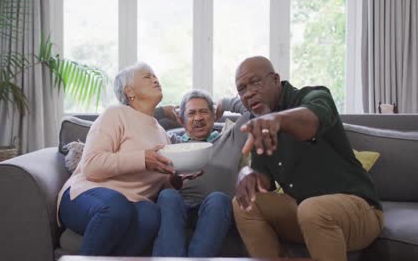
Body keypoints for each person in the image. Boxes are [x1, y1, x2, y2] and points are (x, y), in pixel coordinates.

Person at [232, 56, 383, 261]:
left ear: (276, 79)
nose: (248, 93)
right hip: (303, 212)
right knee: (244, 203)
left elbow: (310, 123)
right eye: (241, 89)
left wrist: (276, 120)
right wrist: (248, 175)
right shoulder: (257, 122)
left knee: (312, 209)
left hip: (359, 211)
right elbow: (264, 180)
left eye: (255, 82)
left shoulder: (315, 96)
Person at [57, 62, 179, 256]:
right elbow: (91, 165)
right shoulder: (115, 114)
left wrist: (176, 179)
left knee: (151, 215)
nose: (155, 79)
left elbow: (160, 183)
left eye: (155, 75)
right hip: (85, 195)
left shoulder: (163, 134)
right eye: (148, 76)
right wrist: (142, 159)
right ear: (129, 92)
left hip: (131, 205)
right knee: (116, 206)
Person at [153, 89, 250, 257]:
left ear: (214, 116)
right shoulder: (170, 141)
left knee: (219, 199)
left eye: (204, 112)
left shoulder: (231, 138)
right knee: (168, 195)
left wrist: (225, 103)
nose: (198, 118)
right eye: (191, 113)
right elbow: (134, 120)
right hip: (179, 207)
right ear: (181, 120)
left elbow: (254, 111)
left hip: (216, 209)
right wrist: (162, 111)